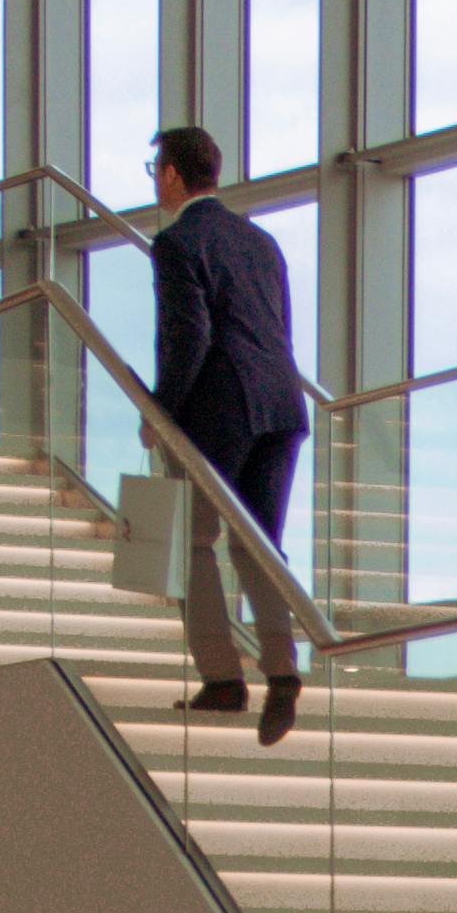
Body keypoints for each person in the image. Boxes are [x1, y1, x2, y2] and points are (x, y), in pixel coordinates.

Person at [147, 126, 310, 743]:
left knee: (194, 541)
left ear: (170, 174)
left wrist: (161, 411)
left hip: (223, 409)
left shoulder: (176, 243)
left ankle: (222, 680)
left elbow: (189, 339)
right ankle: (284, 668)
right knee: (259, 545)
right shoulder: (261, 241)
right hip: (282, 406)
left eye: (154, 169)